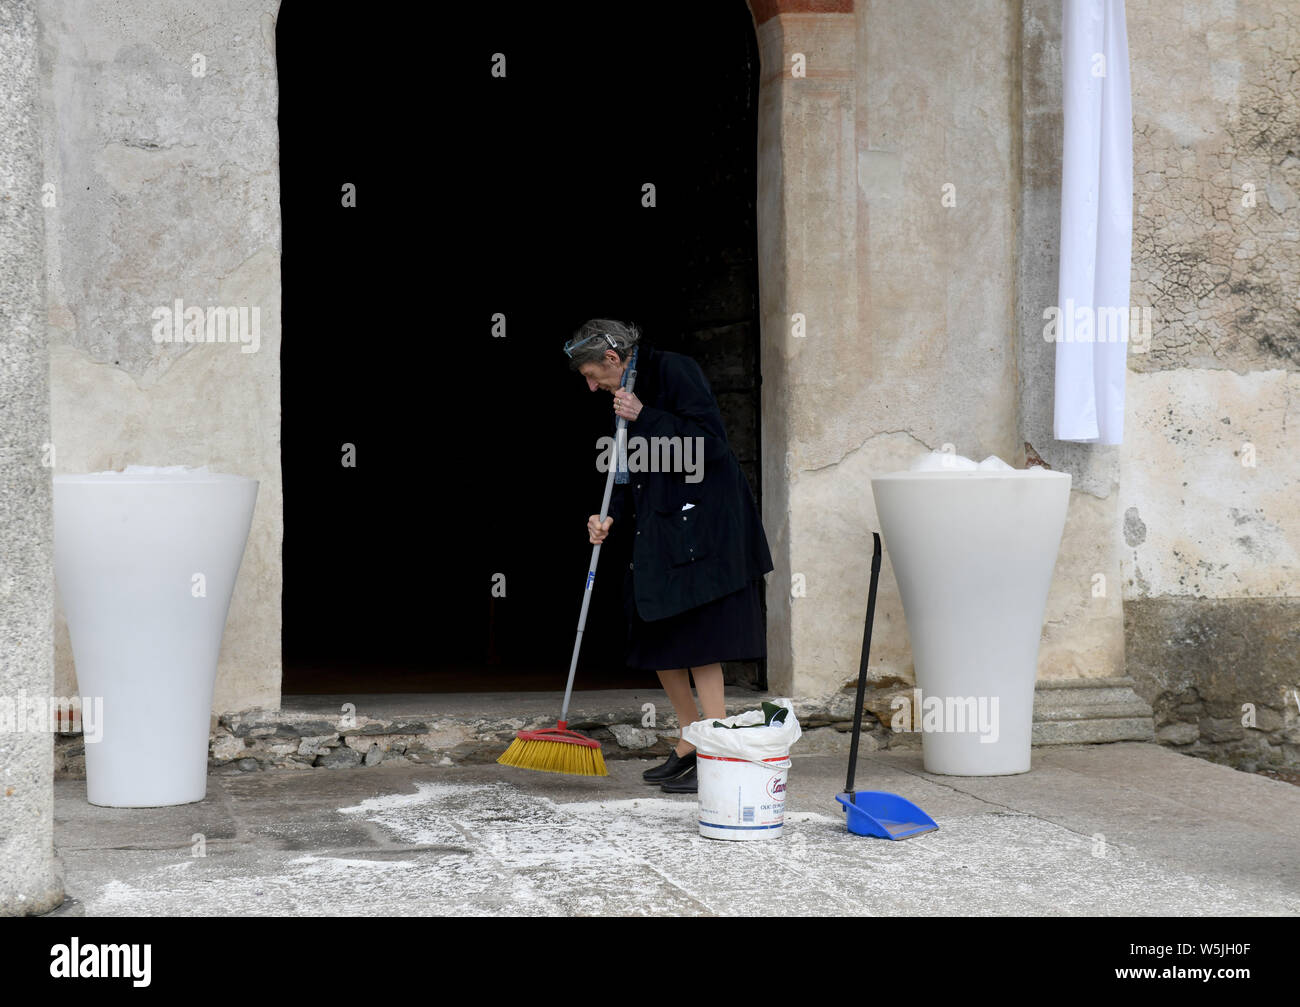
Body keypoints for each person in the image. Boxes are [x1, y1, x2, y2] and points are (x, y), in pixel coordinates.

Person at [565, 318, 774, 792]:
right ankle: (689, 740)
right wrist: (609, 515)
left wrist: (646, 414)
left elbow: (712, 445)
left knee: (699, 638)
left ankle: (717, 749)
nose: (592, 385)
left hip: (701, 527)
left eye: (593, 374)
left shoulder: (673, 372)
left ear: (614, 359)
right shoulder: (624, 393)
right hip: (660, 525)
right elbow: (627, 465)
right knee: (656, 629)